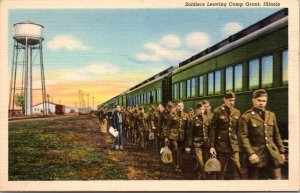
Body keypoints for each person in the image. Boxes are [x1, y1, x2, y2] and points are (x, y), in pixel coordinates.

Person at [239, 89, 285, 180]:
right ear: (253, 100)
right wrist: (251, 154)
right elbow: (243, 137)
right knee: (256, 182)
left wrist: (281, 151)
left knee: (277, 181)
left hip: (272, 155)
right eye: (259, 100)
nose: (261, 103)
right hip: (256, 156)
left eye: (264, 101)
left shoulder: (271, 115)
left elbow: (276, 135)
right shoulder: (246, 117)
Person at [209, 91, 242, 180]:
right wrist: (212, 146)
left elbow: (239, 130)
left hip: (233, 146)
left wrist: (239, 145)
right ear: (224, 100)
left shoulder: (237, 112)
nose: (232, 102)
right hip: (221, 146)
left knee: (238, 168)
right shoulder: (217, 111)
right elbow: (212, 130)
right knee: (220, 170)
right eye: (230, 100)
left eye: (233, 100)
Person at [188, 102, 210, 179]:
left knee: (205, 160)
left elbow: (210, 131)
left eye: (203, 109)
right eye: (200, 109)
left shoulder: (207, 118)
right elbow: (190, 134)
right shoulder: (193, 120)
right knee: (200, 162)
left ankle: (200, 171)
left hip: (206, 143)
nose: (202, 110)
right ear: (196, 110)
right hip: (197, 143)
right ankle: (201, 176)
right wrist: (189, 146)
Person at [167, 101, 189, 172]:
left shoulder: (186, 115)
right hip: (173, 136)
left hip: (182, 136)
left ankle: (180, 166)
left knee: (181, 151)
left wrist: (187, 137)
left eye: (182, 106)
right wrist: (167, 137)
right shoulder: (172, 115)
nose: (180, 107)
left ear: (183, 107)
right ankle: (176, 165)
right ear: (176, 107)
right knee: (175, 150)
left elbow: (187, 127)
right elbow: (168, 127)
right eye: (179, 106)